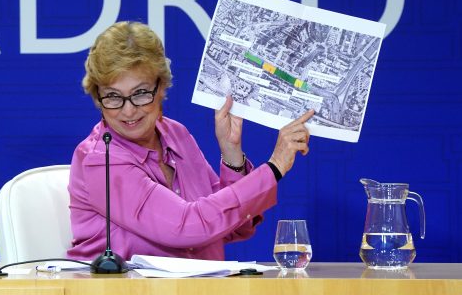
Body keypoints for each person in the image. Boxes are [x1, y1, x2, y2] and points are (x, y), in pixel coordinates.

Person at [67, 21, 314, 261]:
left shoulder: (176, 134)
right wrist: (274, 167)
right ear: (98, 97)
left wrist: (231, 155)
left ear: (161, 88)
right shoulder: (100, 160)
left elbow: (232, 226)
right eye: (112, 96)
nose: (128, 110)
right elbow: (187, 227)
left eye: (140, 93)